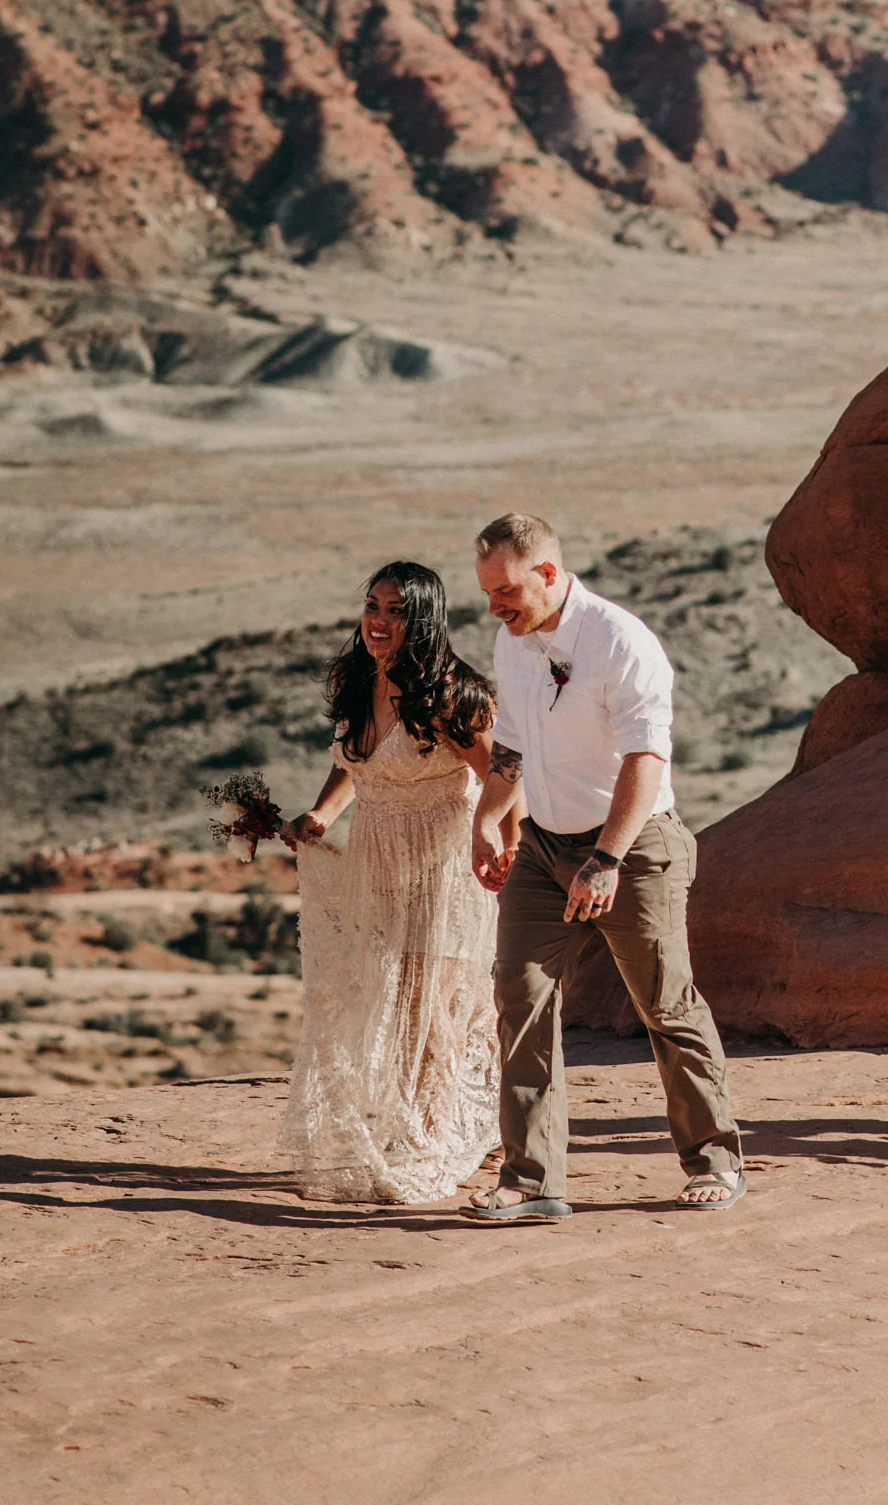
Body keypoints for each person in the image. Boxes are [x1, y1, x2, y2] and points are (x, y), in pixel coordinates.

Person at [463, 511, 744, 1223]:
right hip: (544, 848)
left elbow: (646, 759)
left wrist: (607, 859)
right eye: (488, 592)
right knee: (520, 1000)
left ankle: (714, 1160)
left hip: (634, 846)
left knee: (664, 1004)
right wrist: (488, 818)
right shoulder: (513, 641)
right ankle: (531, 1182)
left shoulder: (620, 641)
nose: (494, 605)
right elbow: (513, 751)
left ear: (550, 575)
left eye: (506, 590)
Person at [277, 561, 516, 1205]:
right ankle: (471, 1119)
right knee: (391, 990)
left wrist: (499, 836)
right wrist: (322, 814)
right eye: (373, 605)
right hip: (379, 858)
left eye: (396, 610)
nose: (379, 621)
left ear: (425, 618)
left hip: (442, 859)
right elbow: (357, 761)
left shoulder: (450, 693)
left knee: (428, 998)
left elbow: (504, 770)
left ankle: (433, 1134)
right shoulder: (360, 680)